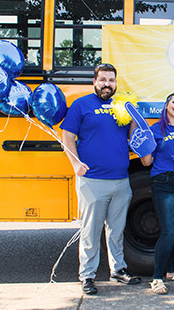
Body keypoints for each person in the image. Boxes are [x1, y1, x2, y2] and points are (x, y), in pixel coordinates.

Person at [61, 63, 141, 295]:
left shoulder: (121, 106)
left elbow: (132, 136)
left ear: (116, 83)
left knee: (116, 230)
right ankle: (87, 276)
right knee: (90, 231)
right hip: (93, 180)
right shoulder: (81, 105)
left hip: (121, 179)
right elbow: (67, 134)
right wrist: (75, 163)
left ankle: (118, 270)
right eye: (103, 80)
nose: (107, 84)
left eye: (111, 80)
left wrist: (134, 116)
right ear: (95, 82)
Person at [140, 93, 174, 295]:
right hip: (164, 182)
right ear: (166, 105)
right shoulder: (155, 130)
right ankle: (156, 278)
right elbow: (147, 162)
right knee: (169, 231)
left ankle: (173, 270)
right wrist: (142, 145)